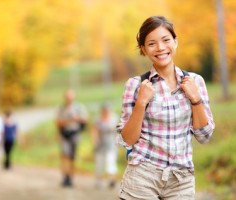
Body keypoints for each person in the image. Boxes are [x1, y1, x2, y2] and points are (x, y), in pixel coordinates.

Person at [116, 16, 215, 199]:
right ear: (144, 49)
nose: (160, 48)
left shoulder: (195, 82)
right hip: (143, 176)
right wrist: (140, 104)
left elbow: (204, 136)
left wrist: (196, 100)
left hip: (181, 179)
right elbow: (128, 140)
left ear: (175, 42)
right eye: (152, 43)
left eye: (166, 40)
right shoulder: (135, 85)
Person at [56, 89, 88, 187]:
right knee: (65, 155)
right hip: (64, 135)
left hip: (75, 134)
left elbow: (85, 120)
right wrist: (69, 120)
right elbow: (58, 122)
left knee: (72, 157)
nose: (69, 99)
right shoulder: (61, 108)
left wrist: (76, 118)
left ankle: (70, 177)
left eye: (70, 97)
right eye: (67, 97)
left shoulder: (79, 107)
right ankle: (65, 176)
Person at [91, 102, 118, 189]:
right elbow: (94, 130)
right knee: (99, 163)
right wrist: (95, 139)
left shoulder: (114, 118)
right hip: (100, 144)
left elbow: (117, 131)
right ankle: (98, 180)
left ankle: (111, 179)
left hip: (110, 144)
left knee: (110, 161)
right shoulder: (98, 119)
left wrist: (117, 141)